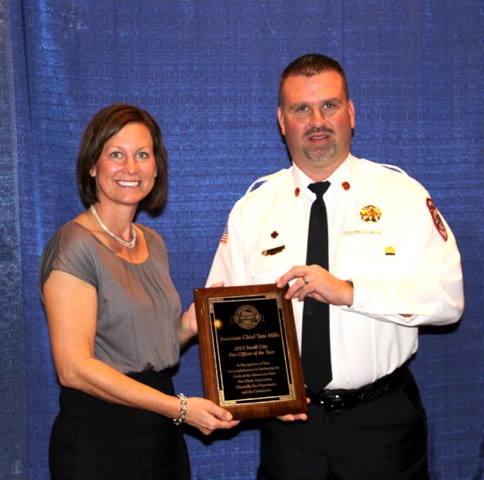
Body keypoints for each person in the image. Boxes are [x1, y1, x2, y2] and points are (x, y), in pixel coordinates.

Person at [206, 54, 464, 479]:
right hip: (291, 429)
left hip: (380, 422)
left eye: (329, 105)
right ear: (281, 120)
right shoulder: (252, 210)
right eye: (301, 109)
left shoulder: (402, 195)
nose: (317, 121)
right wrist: (259, 396)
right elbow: (224, 316)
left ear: (351, 112)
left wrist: (349, 292)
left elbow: (448, 300)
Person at [39, 103, 239, 480]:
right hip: (100, 436)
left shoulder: (153, 243)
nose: (131, 168)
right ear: (92, 166)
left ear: (156, 166)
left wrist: (187, 327)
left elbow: (144, 347)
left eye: (142, 155)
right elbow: (74, 369)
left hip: (160, 431)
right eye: (116, 154)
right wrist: (179, 409)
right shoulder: (74, 245)